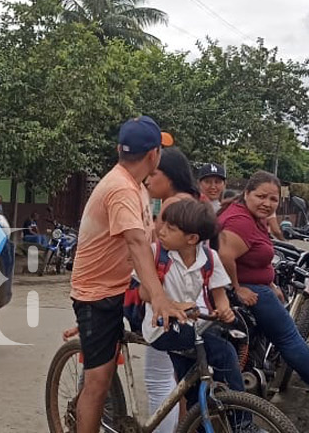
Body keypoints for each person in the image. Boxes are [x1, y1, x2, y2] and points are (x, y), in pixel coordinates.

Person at [70, 116, 182, 433]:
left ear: (121, 149)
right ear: (153, 155)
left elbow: (149, 241)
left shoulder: (136, 187)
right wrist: (158, 297)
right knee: (98, 381)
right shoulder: (120, 189)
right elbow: (135, 242)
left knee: (179, 342)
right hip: (98, 293)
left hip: (124, 287)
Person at [217, 171, 309, 410]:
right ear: (247, 193)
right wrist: (238, 288)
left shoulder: (252, 217)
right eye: (261, 196)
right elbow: (224, 256)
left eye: (273, 199)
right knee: (289, 337)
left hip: (259, 287)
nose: (267, 203)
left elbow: (255, 257)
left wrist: (271, 283)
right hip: (250, 291)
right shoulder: (241, 221)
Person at [143, 199, 243, 411]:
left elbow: (219, 293)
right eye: (164, 224)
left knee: (196, 390)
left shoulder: (209, 257)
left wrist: (223, 309)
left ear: (192, 239)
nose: (161, 231)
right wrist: (174, 304)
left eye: (171, 228)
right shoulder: (155, 253)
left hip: (191, 327)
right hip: (161, 327)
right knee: (223, 353)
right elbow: (144, 291)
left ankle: (199, 420)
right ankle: (243, 423)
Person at [140, 146, 200, 432]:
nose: (147, 180)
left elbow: (155, 254)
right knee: (177, 379)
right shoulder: (192, 202)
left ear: (171, 175)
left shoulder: (171, 205)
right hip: (191, 295)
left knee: (158, 379)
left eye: (154, 174)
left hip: (168, 298)